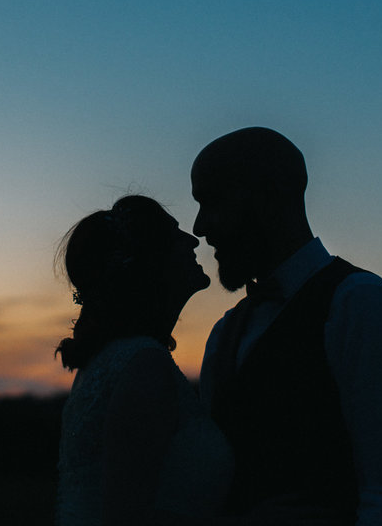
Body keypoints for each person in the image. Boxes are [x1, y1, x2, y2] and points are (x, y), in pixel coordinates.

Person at [193, 127, 382, 525]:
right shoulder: (226, 332)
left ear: (268, 195)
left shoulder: (361, 304)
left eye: (212, 201)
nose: (200, 227)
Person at [55, 195, 233, 526]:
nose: (193, 240)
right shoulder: (141, 365)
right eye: (175, 232)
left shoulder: (117, 361)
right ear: (152, 261)